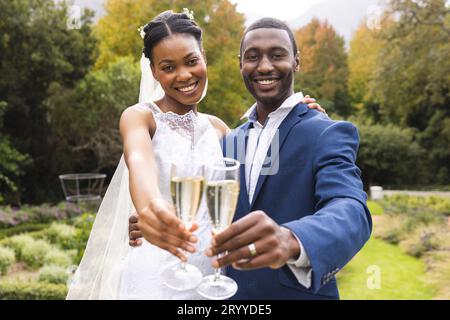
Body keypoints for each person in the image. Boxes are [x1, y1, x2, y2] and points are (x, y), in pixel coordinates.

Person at [67, 10, 323, 300]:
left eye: (191, 61)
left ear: (203, 56)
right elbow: (139, 162)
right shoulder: (140, 118)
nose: (184, 75)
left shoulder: (222, 130)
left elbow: (268, 176)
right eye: (168, 67)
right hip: (156, 272)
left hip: (212, 277)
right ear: (153, 72)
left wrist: (302, 121)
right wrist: (151, 210)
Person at [129, 17, 371, 300]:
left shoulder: (325, 132)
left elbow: (351, 209)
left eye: (277, 55)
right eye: (252, 57)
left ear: (296, 61)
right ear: (240, 64)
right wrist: (151, 216)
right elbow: (205, 201)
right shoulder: (229, 139)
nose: (265, 66)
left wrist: (292, 239)